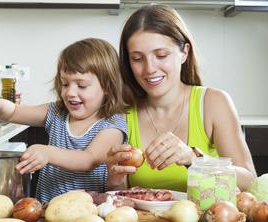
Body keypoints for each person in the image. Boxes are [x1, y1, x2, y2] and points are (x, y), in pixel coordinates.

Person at [106, 4, 256, 192]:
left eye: (161, 55)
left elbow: (250, 181)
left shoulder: (214, 103)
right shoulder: (122, 115)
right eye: (137, 59)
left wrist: (194, 159)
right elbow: (120, 198)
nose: (150, 68)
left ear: (184, 52)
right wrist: (114, 178)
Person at [0, 38, 128, 202]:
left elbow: (89, 159)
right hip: (46, 211)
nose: (70, 92)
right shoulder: (57, 112)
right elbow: (13, 113)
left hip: (89, 214)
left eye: (81, 85)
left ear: (107, 88)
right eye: (65, 84)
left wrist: (48, 153)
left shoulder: (112, 124)